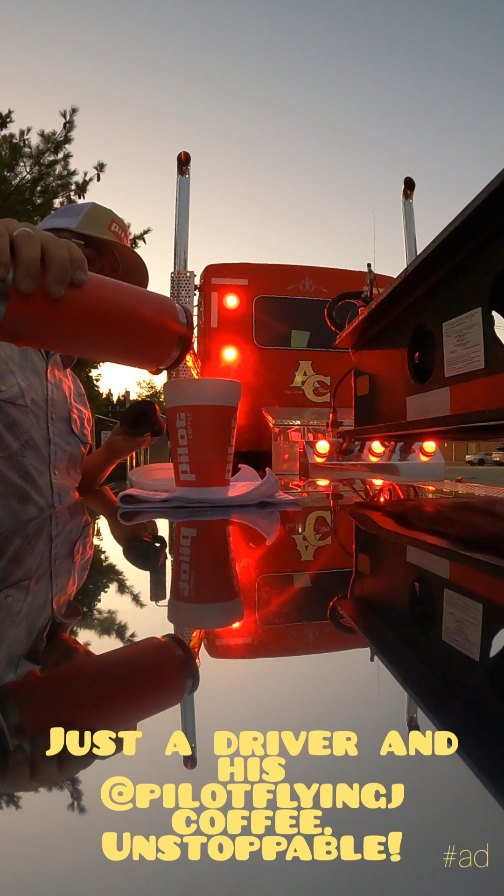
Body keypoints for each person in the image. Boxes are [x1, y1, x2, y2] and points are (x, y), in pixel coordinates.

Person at [0, 205, 157, 520]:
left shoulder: (73, 392)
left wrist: (113, 452)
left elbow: (67, 488)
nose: (101, 287)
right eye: (88, 263)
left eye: (115, 282)